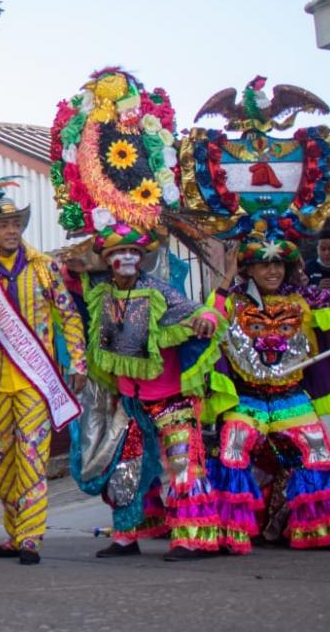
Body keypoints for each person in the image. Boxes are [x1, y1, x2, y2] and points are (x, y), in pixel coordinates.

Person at [0, 176, 86, 566]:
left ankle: (30, 537)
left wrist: (77, 359)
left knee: (31, 456)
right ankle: (13, 534)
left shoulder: (46, 269)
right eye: (2, 225)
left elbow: (69, 316)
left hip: (34, 382)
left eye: (15, 224)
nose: (11, 231)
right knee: (2, 458)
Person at [65, 225, 224, 561]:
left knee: (183, 463)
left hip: (171, 400)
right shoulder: (98, 290)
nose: (126, 258)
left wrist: (209, 315)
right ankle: (125, 537)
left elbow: (196, 311)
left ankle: (194, 538)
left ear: (141, 259)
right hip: (130, 400)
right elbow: (64, 271)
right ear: (106, 260)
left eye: (133, 253)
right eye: (118, 252)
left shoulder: (158, 291)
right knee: (126, 466)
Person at [206, 233, 330, 552]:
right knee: (233, 447)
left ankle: (314, 529)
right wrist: (226, 278)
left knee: (313, 449)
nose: (273, 272)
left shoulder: (304, 299)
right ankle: (234, 531)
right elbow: (210, 316)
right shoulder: (233, 301)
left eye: (278, 265)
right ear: (249, 270)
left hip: (290, 397)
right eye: (264, 265)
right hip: (248, 398)